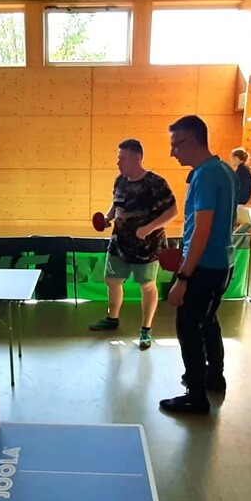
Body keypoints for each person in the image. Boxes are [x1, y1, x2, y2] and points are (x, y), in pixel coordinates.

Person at [160, 115, 238, 414]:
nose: (172, 152)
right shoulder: (224, 170)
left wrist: (183, 277)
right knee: (208, 321)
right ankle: (213, 377)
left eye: (175, 145)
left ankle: (195, 396)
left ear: (192, 141)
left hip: (204, 267)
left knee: (188, 328)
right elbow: (226, 221)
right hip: (223, 263)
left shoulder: (205, 175)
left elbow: (201, 231)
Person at [88, 139, 178, 351]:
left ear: (137, 158)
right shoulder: (120, 180)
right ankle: (112, 318)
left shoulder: (156, 183)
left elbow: (172, 211)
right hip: (119, 243)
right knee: (111, 280)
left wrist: (149, 228)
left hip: (147, 246)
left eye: (122, 158)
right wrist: (108, 217)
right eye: (118, 157)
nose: (118, 162)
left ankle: (146, 329)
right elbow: (116, 204)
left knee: (146, 285)